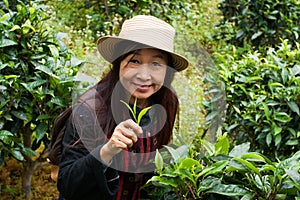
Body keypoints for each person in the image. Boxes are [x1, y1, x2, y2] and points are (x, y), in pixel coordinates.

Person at [57, 15, 189, 200]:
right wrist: (107, 150)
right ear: (118, 63)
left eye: (156, 64)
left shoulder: (166, 103)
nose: (144, 76)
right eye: (134, 61)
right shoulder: (90, 109)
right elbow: (66, 184)